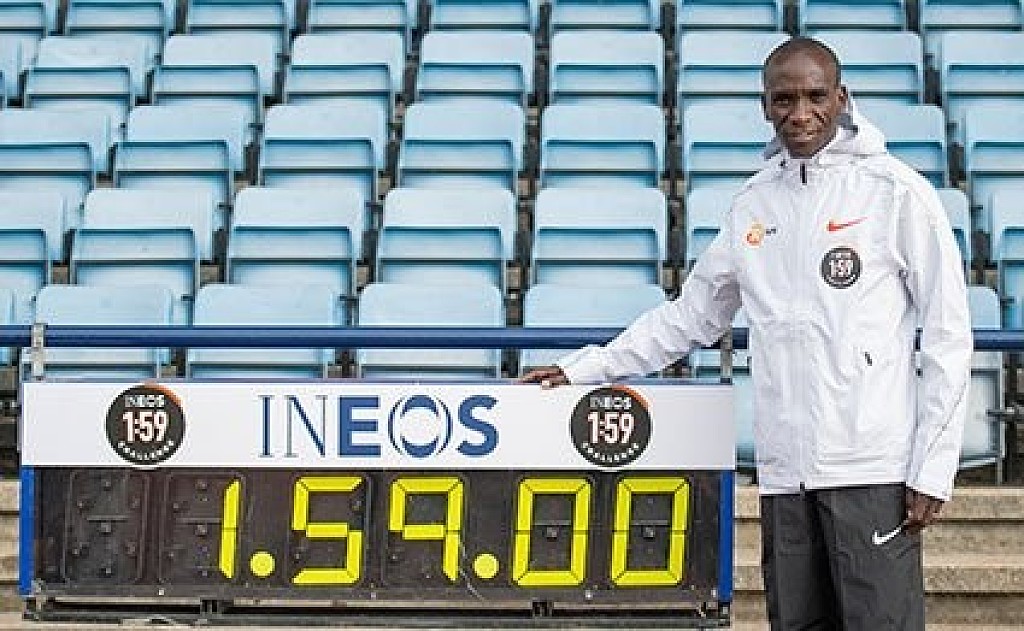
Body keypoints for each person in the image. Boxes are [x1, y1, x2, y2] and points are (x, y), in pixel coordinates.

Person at [520, 36, 972, 630]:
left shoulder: (896, 192)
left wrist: (933, 466)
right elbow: (690, 316)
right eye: (785, 99)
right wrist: (586, 368)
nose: (800, 113)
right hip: (785, 473)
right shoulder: (755, 203)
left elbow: (947, 334)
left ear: (841, 99)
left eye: (815, 97)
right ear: (766, 106)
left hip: (873, 467)